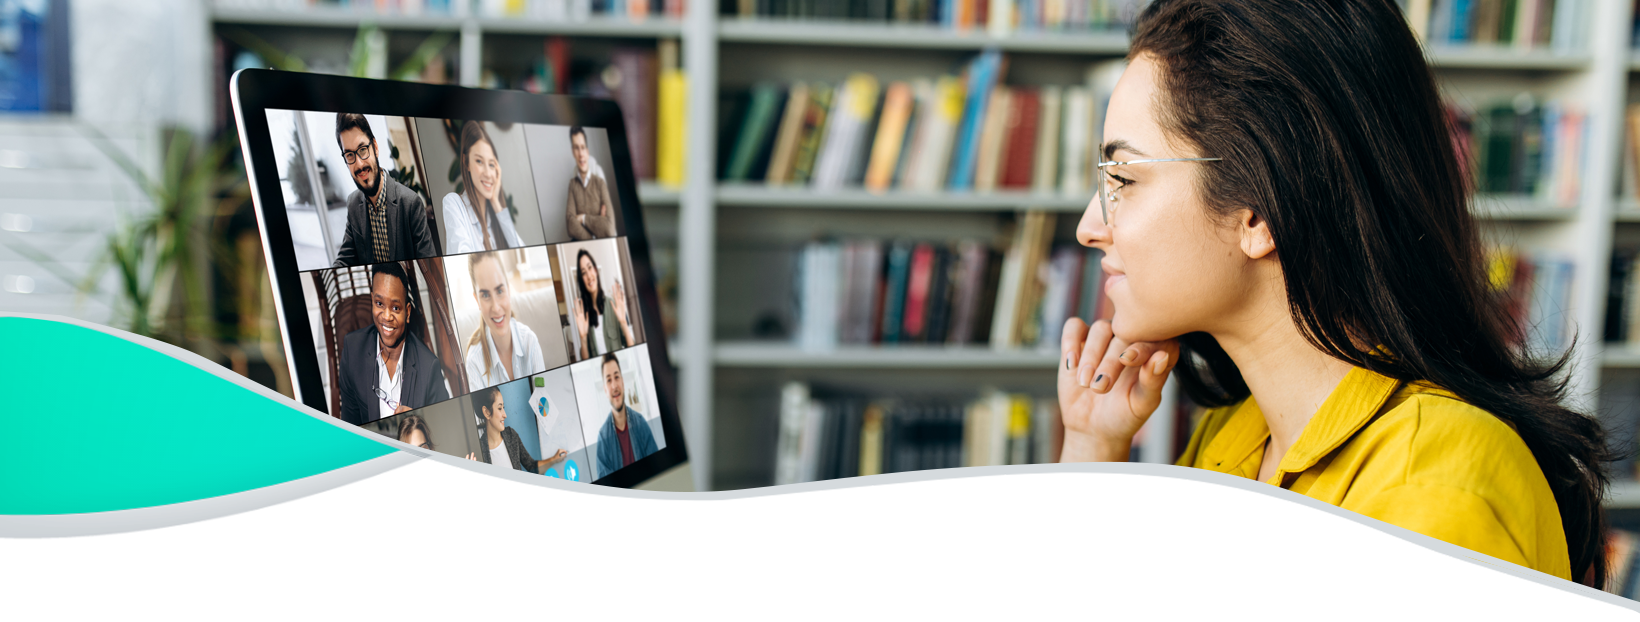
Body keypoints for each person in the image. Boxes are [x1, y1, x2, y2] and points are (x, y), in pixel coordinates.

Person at [1055, 0, 1614, 587]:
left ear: (1259, 211)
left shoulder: (1438, 487)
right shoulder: (1237, 435)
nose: (1089, 225)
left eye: (1122, 178)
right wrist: (1093, 449)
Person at [336, 262, 450, 425]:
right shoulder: (352, 350)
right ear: (372, 301)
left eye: (396, 308)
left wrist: (418, 423)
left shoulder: (429, 367)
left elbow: (444, 425)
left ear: (407, 312)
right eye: (379, 304)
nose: (387, 316)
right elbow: (350, 424)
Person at [331, 113, 437, 267]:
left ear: (375, 147)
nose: (359, 164)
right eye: (349, 155)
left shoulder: (411, 204)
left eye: (362, 150)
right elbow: (345, 259)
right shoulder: (353, 204)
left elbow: (430, 267)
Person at [463, 251, 546, 390]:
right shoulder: (474, 362)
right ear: (477, 300)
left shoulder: (530, 342)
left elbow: (543, 402)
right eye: (485, 295)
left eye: (500, 291)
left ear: (508, 289)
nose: (496, 307)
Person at [442, 121, 525, 254]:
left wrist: (496, 204)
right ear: (466, 162)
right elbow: (463, 260)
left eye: (491, 164)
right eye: (479, 161)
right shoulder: (453, 204)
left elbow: (522, 255)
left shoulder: (494, 215)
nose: (487, 173)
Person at [473, 386, 567, 474]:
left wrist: (554, 459)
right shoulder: (479, 450)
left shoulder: (511, 435)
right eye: (500, 408)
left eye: (503, 408)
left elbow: (531, 466)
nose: (505, 414)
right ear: (487, 412)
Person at [594, 353, 657, 477]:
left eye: (617, 377)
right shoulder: (603, 437)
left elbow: (657, 468)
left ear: (622, 382)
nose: (614, 386)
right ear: (605, 390)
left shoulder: (641, 423)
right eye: (608, 380)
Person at [572, 248, 636, 360]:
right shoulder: (584, 317)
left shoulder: (613, 305)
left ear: (596, 270)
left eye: (590, 267)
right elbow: (586, 360)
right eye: (583, 272)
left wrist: (623, 322)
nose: (588, 275)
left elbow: (632, 348)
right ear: (581, 280)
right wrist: (583, 338)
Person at [564, 126, 617, 241]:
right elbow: (570, 225)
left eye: (583, 148)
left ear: (587, 151)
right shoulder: (573, 184)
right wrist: (592, 237)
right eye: (576, 148)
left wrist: (582, 218)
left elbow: (608, 228)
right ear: (573, 152)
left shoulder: (599, 181)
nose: (581, 154)